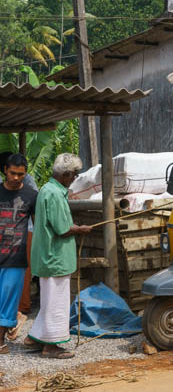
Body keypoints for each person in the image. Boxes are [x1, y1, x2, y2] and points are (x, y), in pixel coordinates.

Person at [23, 153, 91, 359]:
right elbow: (62, 229)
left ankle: (34, 337)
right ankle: (51, 345)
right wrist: (80, 229)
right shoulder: (53, 193)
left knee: (49, 300)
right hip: (55, 257)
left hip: (50, 257)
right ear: (66, 174)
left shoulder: (49, 190)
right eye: (75, 175)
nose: (75, 178)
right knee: (57, 303)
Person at [0, 154, 37, 354]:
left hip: (15, 256)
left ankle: (0, 341)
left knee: (8, 301)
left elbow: (38, 224)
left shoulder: (31, 195)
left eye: (20, 174)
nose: (16, 178)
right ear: (5, 170)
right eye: (13, 173)